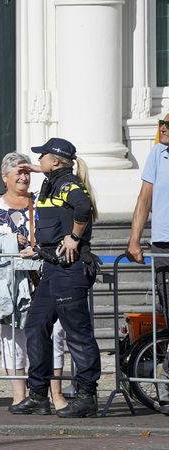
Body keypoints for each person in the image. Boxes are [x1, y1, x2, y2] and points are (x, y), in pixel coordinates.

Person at [0, 152, 68, 411]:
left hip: (42, 277)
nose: (24, 178)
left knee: (54, 333)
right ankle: (19, 395)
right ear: (5, 178)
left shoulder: (42, 202)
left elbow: (58, 232)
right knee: (13, 336)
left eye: (27, 173)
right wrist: (10, 242)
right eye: (19, 173)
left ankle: (55, 394)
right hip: (10, 283)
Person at [13, 137, 101, 418]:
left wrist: (74, 237)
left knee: (77, 333)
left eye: (43, 156)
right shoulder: (54, 180)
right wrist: (39, 251)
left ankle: (87, 397)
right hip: (53, 268)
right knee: (35, 326)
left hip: (70, 269)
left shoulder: (67, 184)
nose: (38, 159)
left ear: (54, 161)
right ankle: (38, 396)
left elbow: (83, 207)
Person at [126, 113, 169, 415]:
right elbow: (144, 199)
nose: (163, 129)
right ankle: (166, 383)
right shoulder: (158, 153)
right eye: (162, 124)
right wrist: (134, 240)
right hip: (164, 244)